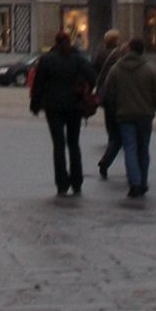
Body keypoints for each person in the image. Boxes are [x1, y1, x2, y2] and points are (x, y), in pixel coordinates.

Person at [29, 31, 96, 195]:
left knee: (58, 145)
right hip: (74, 105)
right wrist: (84, 90)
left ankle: (61, 183)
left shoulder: (46, 60)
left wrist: (35, 105)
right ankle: (77, 181)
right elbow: (92, 76)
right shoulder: (77, 58)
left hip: (53, 107)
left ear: (56, 42)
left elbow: (38, 84)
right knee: (74, 144)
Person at [102, 38, 156, 198]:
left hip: (124, 114)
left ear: (128, 49)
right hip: (145, 115)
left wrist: (115, 108)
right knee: (143, 149)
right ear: (142, 50)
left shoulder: (116, 69)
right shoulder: (150, 69)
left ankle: (134, 182)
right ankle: (143, 182)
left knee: (130, 148)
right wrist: (153, 106)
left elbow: (108, 92)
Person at [93, 29, 125, 179]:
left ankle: (111, 140)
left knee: (111, 126)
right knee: (123, 133)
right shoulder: (119, 54)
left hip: (104, 94)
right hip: (118, 94)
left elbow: (94, 71)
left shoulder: (100, 53)